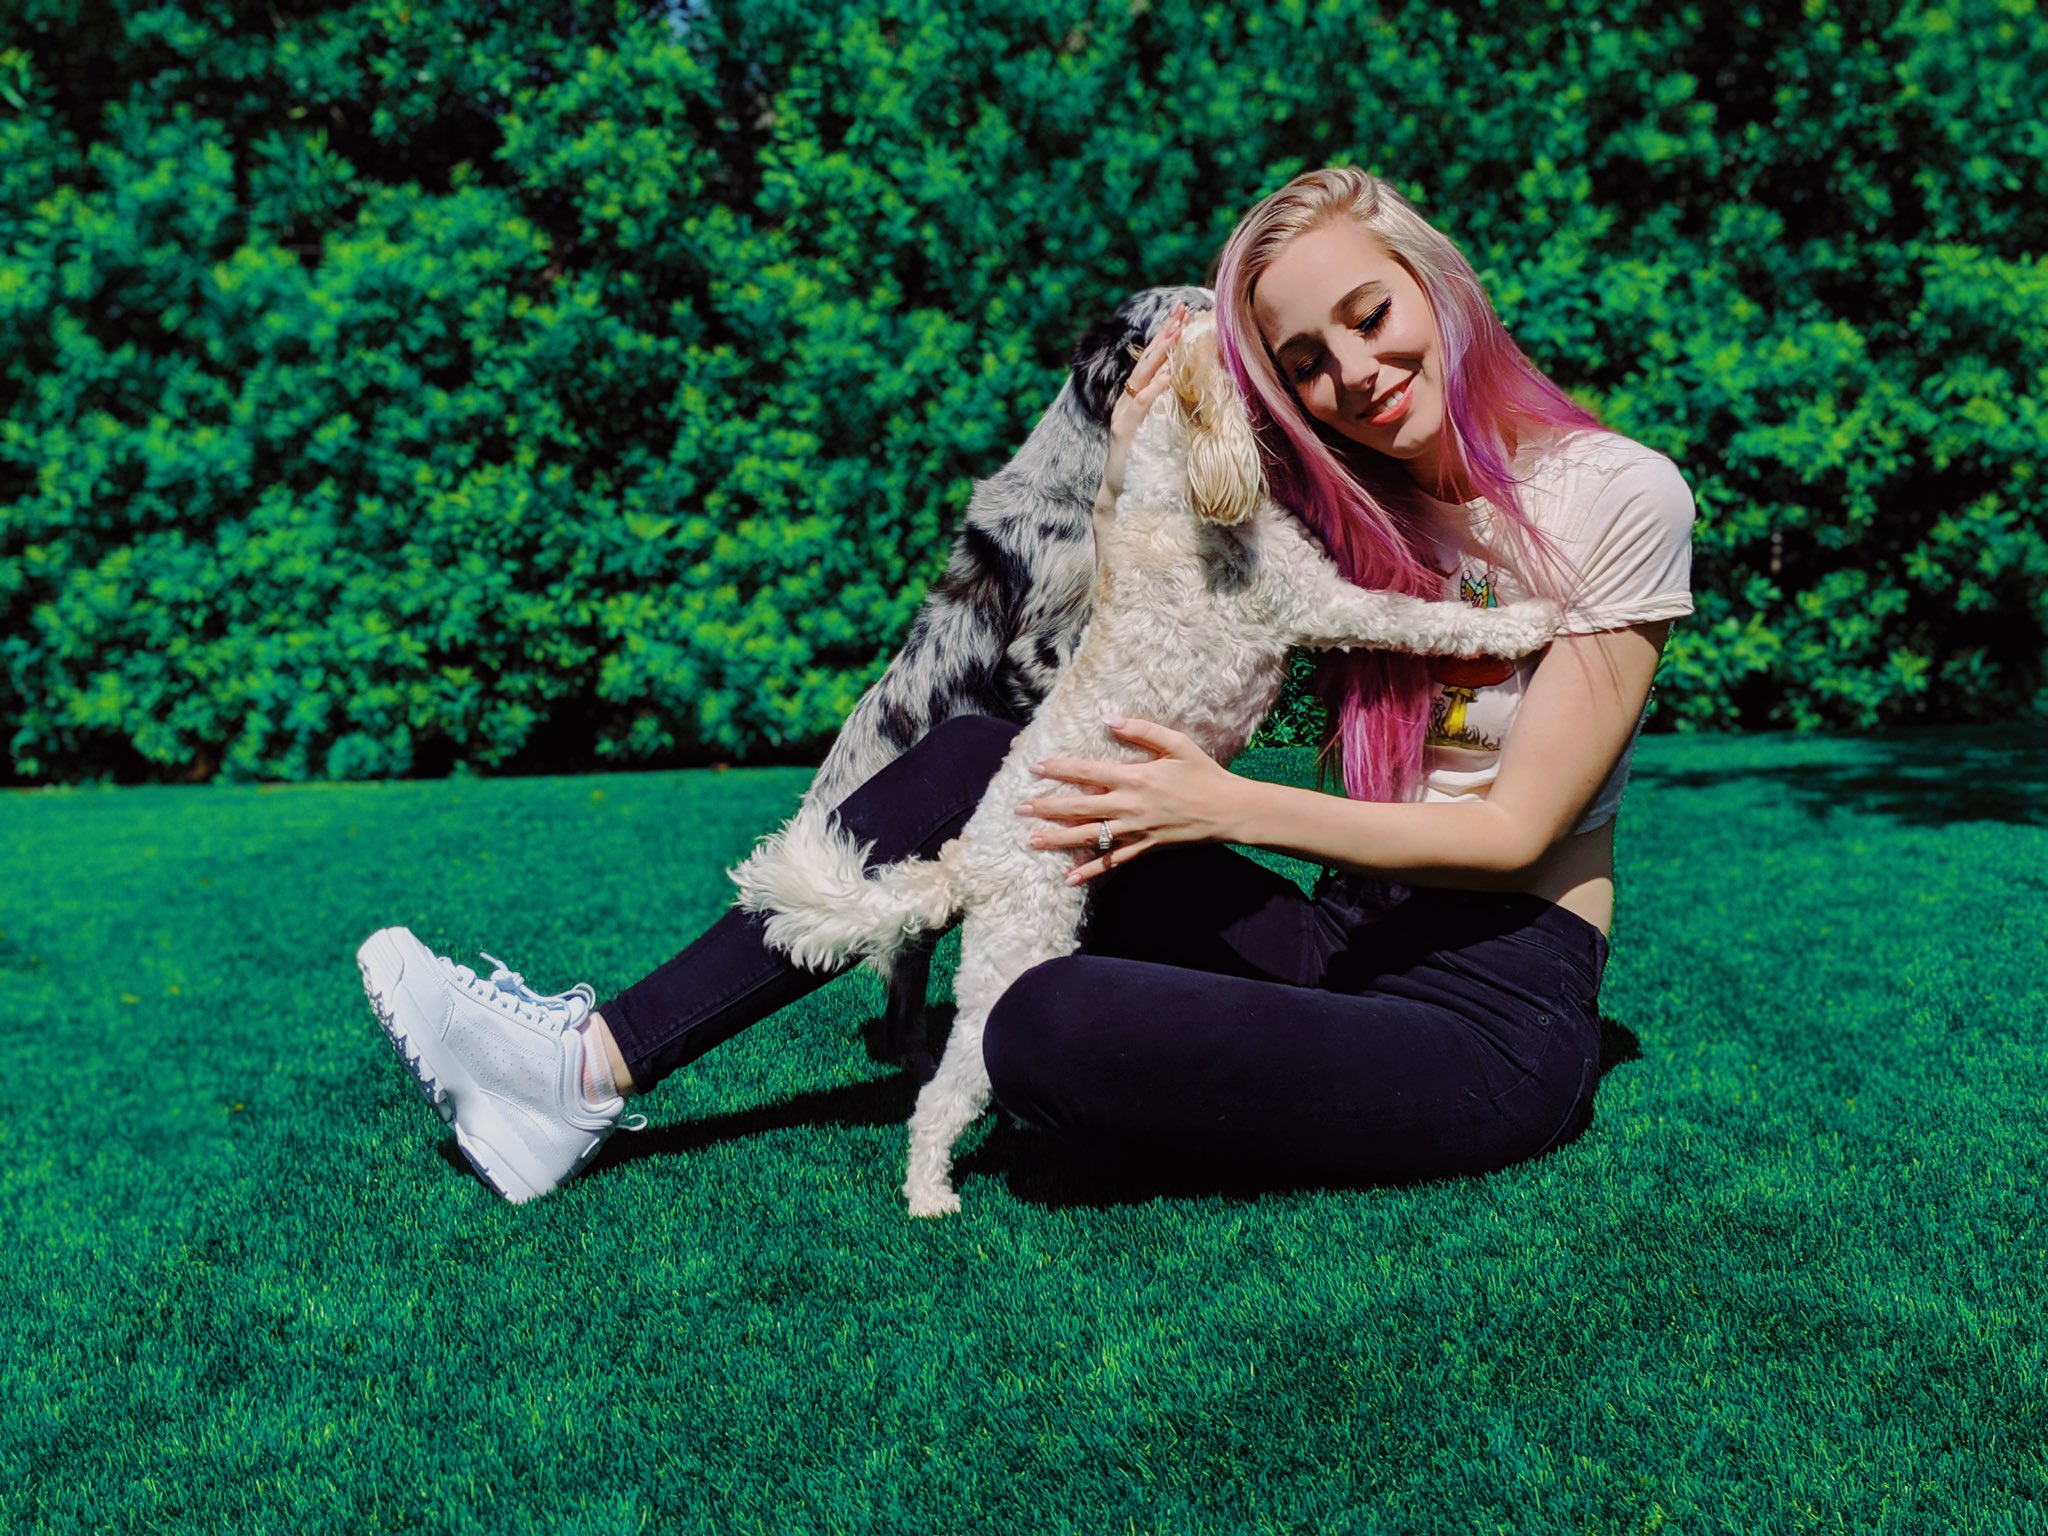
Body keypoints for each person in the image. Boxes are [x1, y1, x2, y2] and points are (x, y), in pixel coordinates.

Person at [356, 164, 1694, 1205]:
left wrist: (1218, 806)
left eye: (1370, 316)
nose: (1353, 373)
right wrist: (1133, 466)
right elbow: (1159, 624)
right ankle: (584, 1069)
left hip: (1487, 1012)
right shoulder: (1352, 501)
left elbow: (1515, 831)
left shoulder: (1619, 497)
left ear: (1434, 281)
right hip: (1338, 941)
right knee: (971, 761)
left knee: (1038, 1020)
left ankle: (1180, 1057)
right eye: (1304, 361)